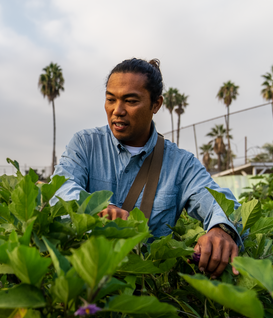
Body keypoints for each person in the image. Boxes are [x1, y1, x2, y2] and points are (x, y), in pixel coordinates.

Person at [52, 58, 240, 279]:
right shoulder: (85, 144)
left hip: (147, 286)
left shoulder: (181, 164)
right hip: (84, 279)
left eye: (130, 101)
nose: (117, 110)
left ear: (156, 105)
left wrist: (222, 230)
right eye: (110, 99)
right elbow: (61, 186)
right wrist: (96, 207)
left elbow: (220, 202)